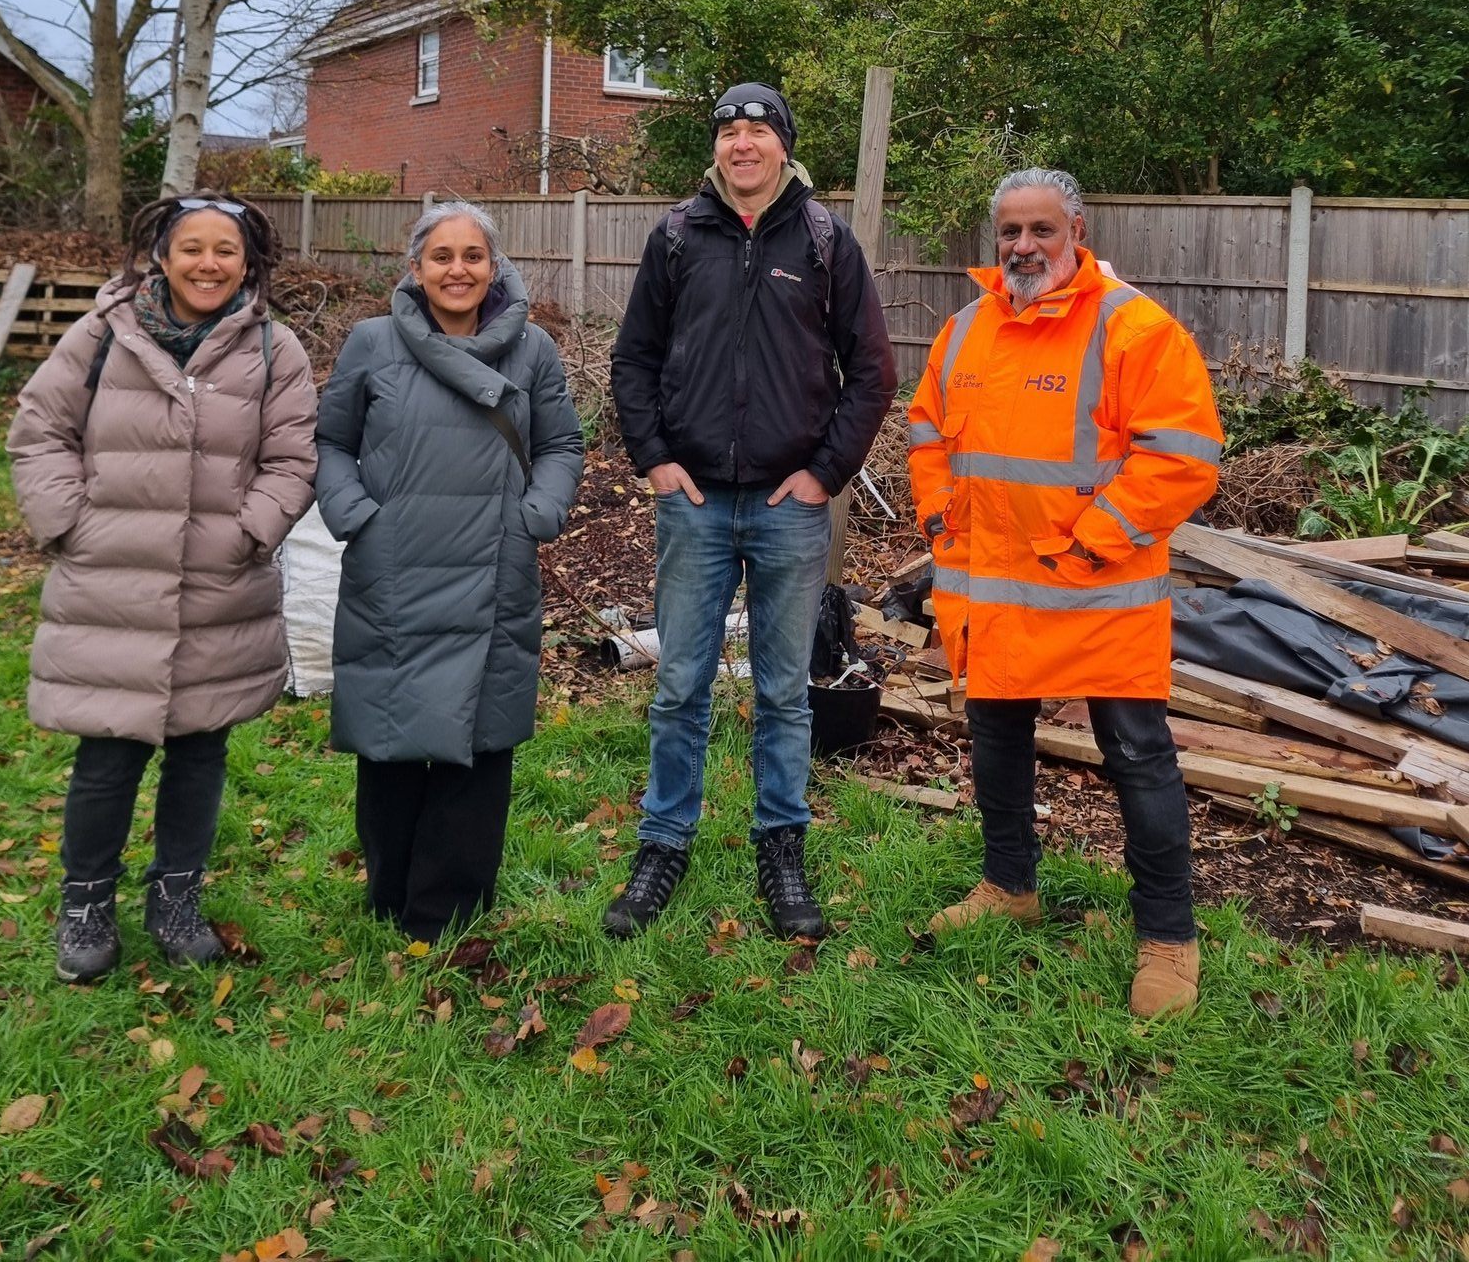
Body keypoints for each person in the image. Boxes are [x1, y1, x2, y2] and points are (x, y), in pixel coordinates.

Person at [908, 167, 1223, 1016]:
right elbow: (926, 434)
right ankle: (1009, 884)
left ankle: (1167, 936)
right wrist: (941, 521)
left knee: (1139, 759)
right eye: (1009, 230)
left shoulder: (1134, 329)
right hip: (995, 597)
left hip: (1100, 594)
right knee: (997, 740)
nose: (1022, 246)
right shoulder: (967, 327)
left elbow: (1184, 456)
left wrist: (1092, 543)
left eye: (1041, 230)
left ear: (1076, 232)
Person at [606, 83, 897, 939]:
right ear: (718, 149)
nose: (742, 144)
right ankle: (663, 845)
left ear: (783, 147)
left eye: (757, 131)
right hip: (694, 503)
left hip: (786, 507)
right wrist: (655, 461)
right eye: (729, 131)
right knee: (680, 687)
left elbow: (873, 372)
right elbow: (633, 362)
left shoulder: (823, 242)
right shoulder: (676, 237)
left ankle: (781, 848)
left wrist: (824, 474)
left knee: (783, 692)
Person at [7, 193, 318, 982]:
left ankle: (175, 897)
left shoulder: (275, 350)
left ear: (249, 262)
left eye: (225, 250)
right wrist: (69, 523)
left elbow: (294, 458)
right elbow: (38, 428)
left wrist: (250, 531)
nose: (208, 264)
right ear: (161, 255)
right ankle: (86, 905)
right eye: (192, 248)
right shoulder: (104, 334)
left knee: (199, 753)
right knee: (107, 758)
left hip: (220, 585)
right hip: (112, 581)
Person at [315, 200, 583, 943]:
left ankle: (449, 911)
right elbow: (330, 442)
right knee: (392, 739)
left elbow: (563, 444)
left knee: (480, 746)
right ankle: (391, 893)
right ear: (415, 268)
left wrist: (537, 515)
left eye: (472, 256)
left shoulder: (532, 352)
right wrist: (355, 516)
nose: (457, 270)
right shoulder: (371, 344)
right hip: (391, 569)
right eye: (442, 256)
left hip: (494, 569)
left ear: (494, 267)